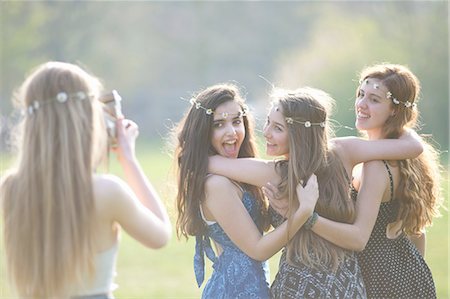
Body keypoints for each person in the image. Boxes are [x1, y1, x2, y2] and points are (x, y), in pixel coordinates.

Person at [208, 86, 424, 298]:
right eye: (267, 123)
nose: (266, 133)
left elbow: (209, 163)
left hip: (299, 287)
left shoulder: (274, 173)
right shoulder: (344, 151)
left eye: (278, 128)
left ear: (299, 134)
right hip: (346, 285)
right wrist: (402, 113)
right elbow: (412, 147)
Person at [0, 61, 172, 299]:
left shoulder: (10, 189)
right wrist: (128, 160)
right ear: (87, 120)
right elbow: (160, 235)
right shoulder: (106, 191)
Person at [294, 64, 442, 298]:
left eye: (374, 99)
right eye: (361, 95)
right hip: (406, 271)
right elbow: (417, 233)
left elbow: (359, 238)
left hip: (381, 280)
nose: (361, 105)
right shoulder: (404, 158)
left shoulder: (376, 166)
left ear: (394, 110)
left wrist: (307, 218)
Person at [174, 83, 319, 299]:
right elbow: (258, 249)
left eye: (236, 121)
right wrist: (303, 214)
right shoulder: (216, 185)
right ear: (204, 131)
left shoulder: (237, 176)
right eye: (219, 124)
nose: (232, 132)